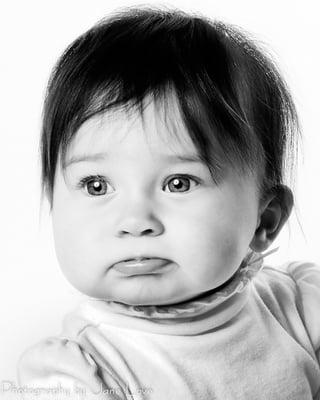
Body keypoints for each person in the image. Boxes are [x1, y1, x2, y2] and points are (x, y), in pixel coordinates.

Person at [17, 6, 320, 399]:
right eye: (95, 185)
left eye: (178, 183)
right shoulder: (76, 375)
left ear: (265, 219)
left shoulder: (296, 306)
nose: (135, 221)